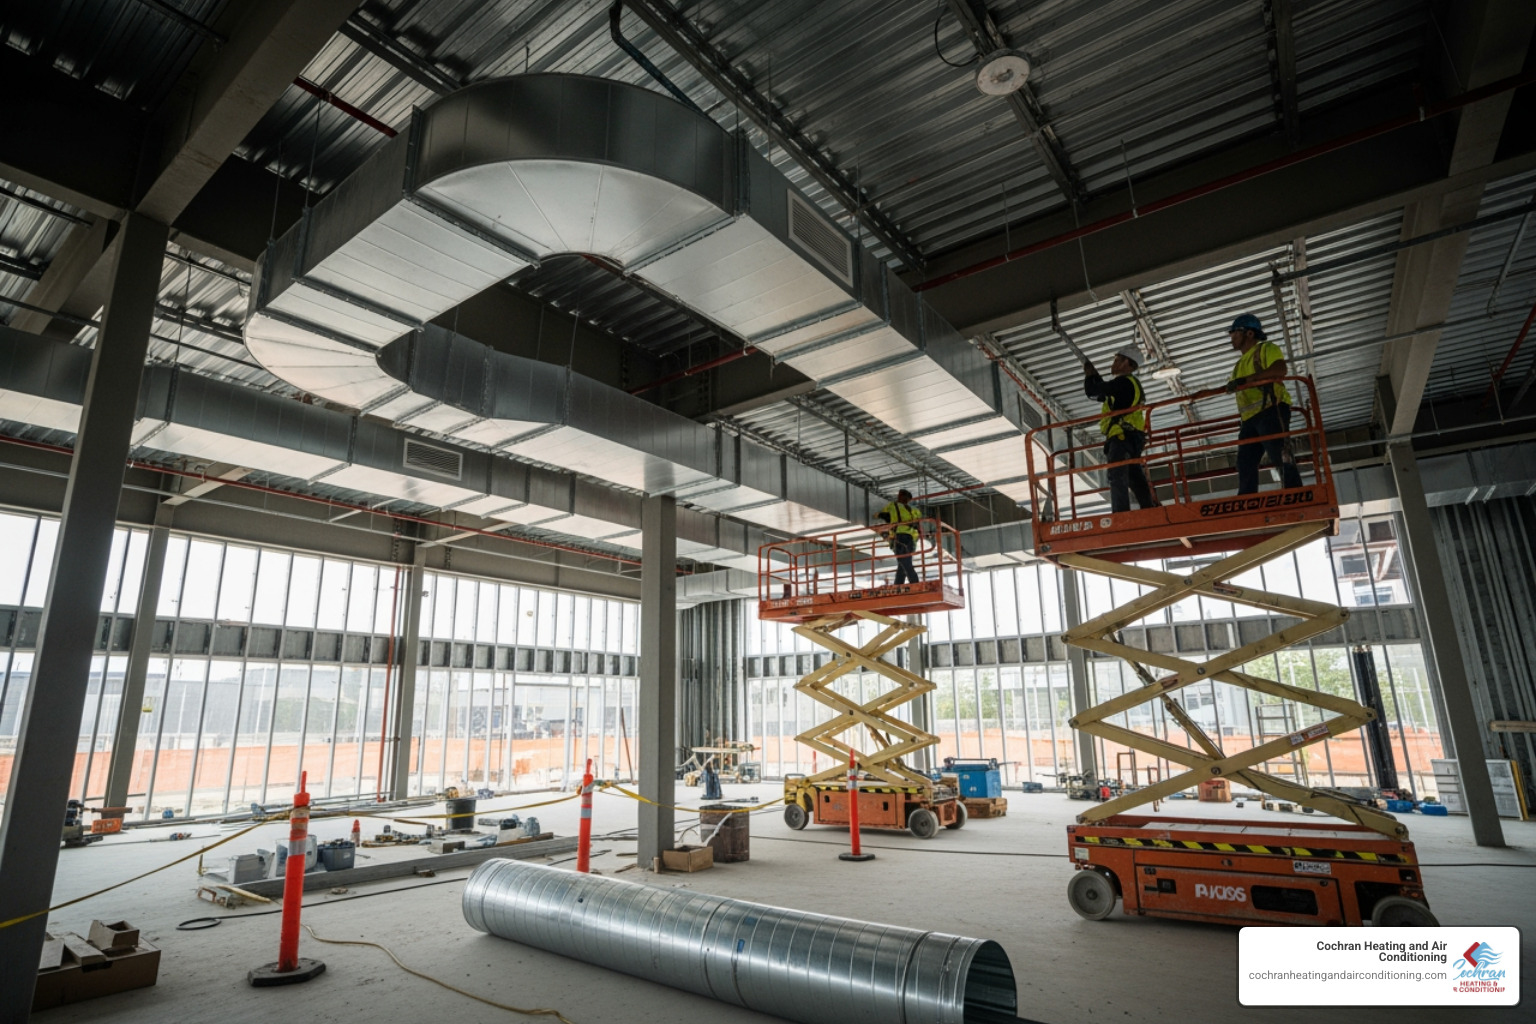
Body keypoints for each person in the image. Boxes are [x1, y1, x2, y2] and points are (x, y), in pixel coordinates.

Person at [1225, 313, 1303, 494]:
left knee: (1279, 454)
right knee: (1245, 462)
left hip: (1271, 410)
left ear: (1249, 333)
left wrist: (1249, 379)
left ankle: (1296, 493)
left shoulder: (1266, 349)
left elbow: (1280, 369)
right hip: (1249, 420)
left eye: (1235, 332)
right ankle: (1247, 501)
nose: (1232, 337)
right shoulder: (1238, 366)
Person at [1083, 346, 1160, 513]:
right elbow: (1102, 394)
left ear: (1127, 363)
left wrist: (1089, 376)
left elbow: (1092, 392)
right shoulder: (1129, 384)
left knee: (1117, 475)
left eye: (1117, 360)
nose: (1113, 364)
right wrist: (1095, 378)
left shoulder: (1123, 383)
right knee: (1134, 475)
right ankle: (1149, 508)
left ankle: (1120, 513)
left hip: (1121, 437)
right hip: (1133, 437)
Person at [876, 489, 923, 585]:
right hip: (911, 539)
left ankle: (915, 583)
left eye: (899, 496)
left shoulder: (893, 505)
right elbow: (918, 525)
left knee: (904, 561)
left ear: (901, 497)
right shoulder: (915, 510)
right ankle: (898, 584)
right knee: (903, 562)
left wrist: (878, 516)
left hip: (900, 536)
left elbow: (882, 515)